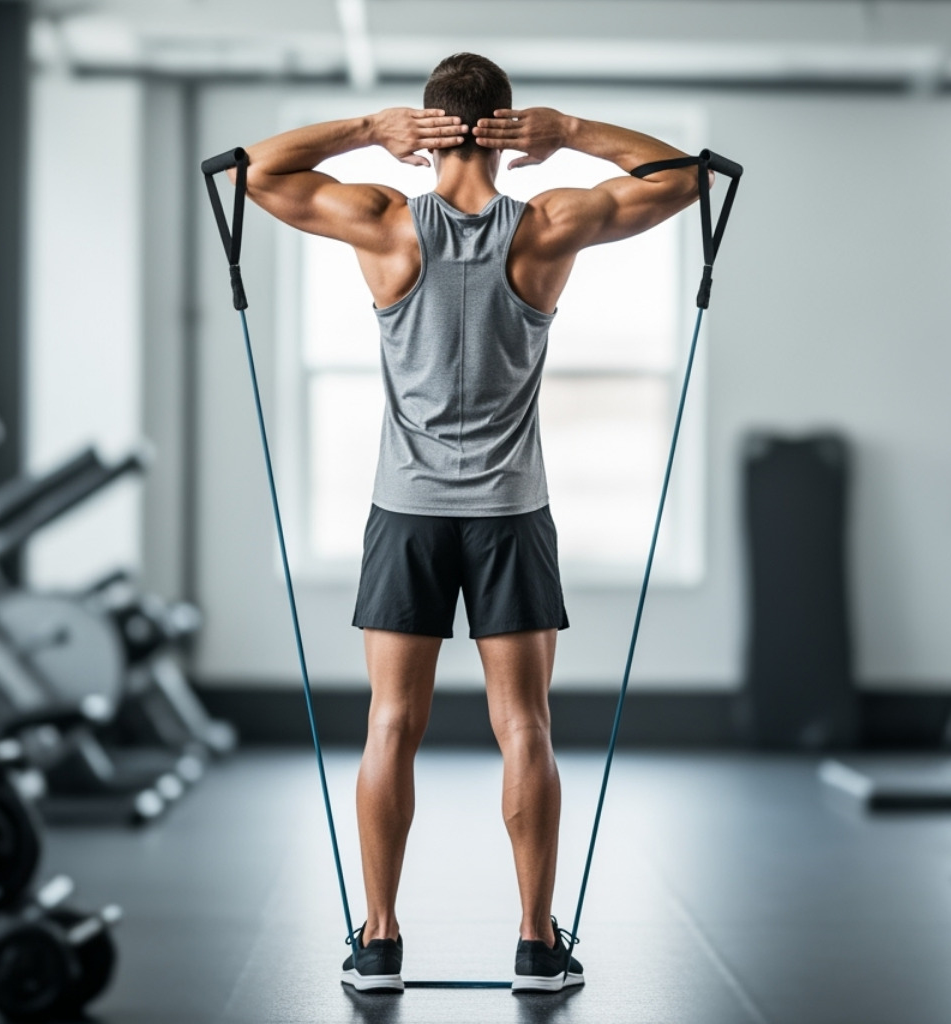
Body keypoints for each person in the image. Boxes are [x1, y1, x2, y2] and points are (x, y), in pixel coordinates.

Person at [237, 52, 703, 993]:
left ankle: (378, 942)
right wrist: (567, 133)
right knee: (524, 726)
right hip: (510, 515)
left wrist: (370, 131)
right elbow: (685, 181)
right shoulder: (549, 226)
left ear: (429, 126)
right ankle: (537, 944)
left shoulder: (379, 222)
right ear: (503, 124)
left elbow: (257, 173)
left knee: (390, 724)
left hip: (405, 514)